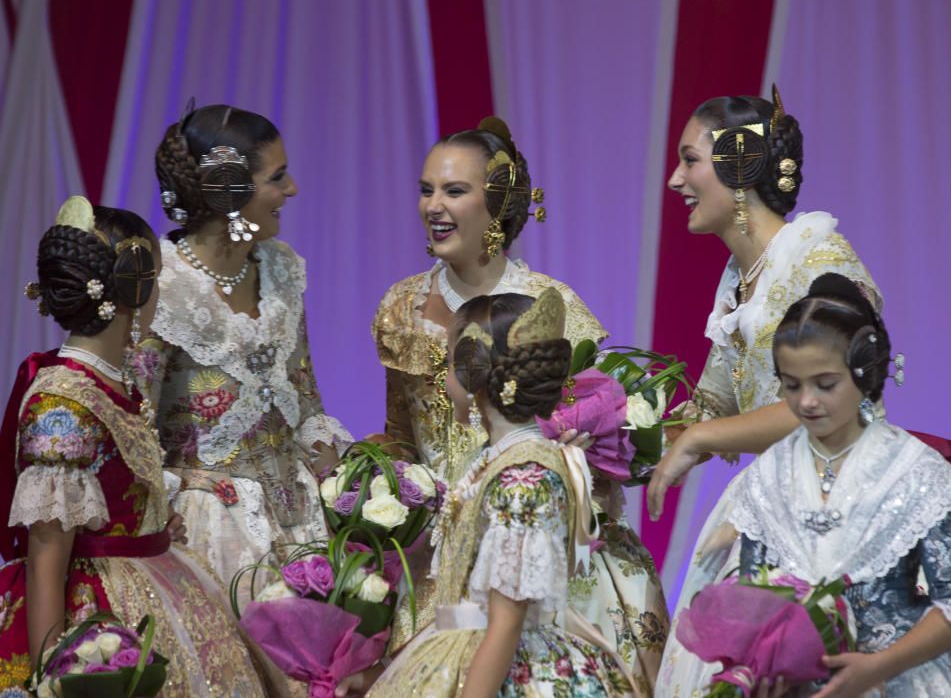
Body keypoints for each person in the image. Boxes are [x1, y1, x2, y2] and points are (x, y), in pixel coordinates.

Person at [372, 117, 666, 687]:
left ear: (499, 202)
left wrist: (579, 460)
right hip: (443, 553)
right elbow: (400, 434)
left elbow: (602, 439)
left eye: (454, 190)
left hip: (536, 539)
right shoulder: (400, 306)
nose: (434, 205)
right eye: (426, 189)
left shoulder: (551, 308)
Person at [0, 197, 267, 696]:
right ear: (133, 289)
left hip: (156, 577)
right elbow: (47, 561)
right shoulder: (61, 404)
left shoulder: (111, 383)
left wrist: (151, 516)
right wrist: (55, 677)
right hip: (96, 612)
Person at [644, 88, 881, 695]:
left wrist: (699, 437)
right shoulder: (741, 280)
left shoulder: (819, 264)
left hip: (836, 509)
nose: (675, 180)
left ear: (740, 169)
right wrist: (604, 442)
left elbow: (829, 409)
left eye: (689, 159)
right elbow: (713, 405)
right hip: (766, 502)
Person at [369, 289, 632, 696]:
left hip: (503, 664)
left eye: (450, 363)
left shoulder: (523, 477)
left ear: (472, 372)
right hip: (458, 646)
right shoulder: (498, 463)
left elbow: (506, 621)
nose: (445, 378)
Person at [139, 104, 352, 597]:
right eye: (277, 177)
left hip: (299, 519)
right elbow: (135, 428)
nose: (292, 189)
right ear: (229, 192)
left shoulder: (280, 268)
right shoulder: (160, 284)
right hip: (206, 532)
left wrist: (350, 488)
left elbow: (305, 402)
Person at [726, 273, 951, 696]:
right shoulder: (767, 475)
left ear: (863, 374)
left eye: (825, 384)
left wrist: (877, 666)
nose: (806, 402)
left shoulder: (916, 471)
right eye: (791, 386)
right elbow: (753, 596)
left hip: (898, 679)